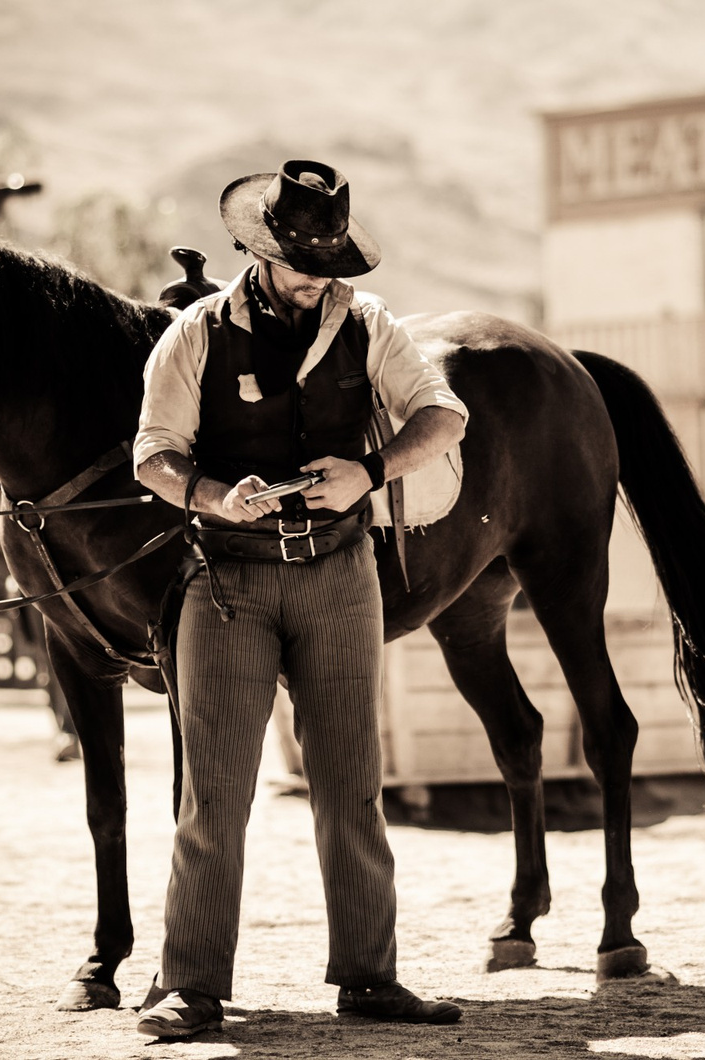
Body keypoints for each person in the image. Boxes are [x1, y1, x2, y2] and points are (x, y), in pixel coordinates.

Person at [131, 160, 468, 1039]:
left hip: (340, 574)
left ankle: (369, 977)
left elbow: (445, 417)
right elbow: (153, 455)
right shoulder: (196, 333)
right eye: (303, 258)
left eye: (332, 260)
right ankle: (192, 986)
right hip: (228, 581)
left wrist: (371, 470)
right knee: (216, 792)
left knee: (353, 783)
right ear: (261, 250)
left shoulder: (369, 325)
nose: (322, 277)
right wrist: (210, 495)